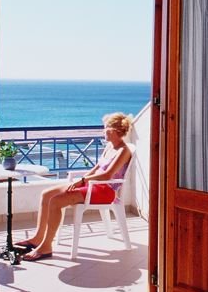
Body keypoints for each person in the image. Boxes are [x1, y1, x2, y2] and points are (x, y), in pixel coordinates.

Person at [17, 112, 133, 261]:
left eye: (105, 128)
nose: (103, 131)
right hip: (92, 186)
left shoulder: (124, 151)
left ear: (115, 131)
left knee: (56, 201)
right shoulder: (110, 147)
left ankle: (46, 247)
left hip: (105, 191)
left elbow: (107, 175)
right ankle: (37, 238)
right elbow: (96, 168)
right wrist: (81, 180)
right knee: (47, 194)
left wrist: (82, 181)